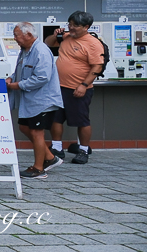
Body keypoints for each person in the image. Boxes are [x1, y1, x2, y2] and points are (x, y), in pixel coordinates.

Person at [44, 10, 105, 164]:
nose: (71, 28)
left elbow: (97, 66)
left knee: (81, 120)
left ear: (86, 27)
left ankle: (83, 150)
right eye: (70, 24)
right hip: (58, 87)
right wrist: (55, 35)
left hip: (78, 88)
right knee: (56, 118)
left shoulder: (93, 43)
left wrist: (84, 85)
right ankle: (57, 148)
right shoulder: (66, 37)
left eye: (75, 25)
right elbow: (48, 43)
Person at [5, 22, 64, 178]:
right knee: (24, 127)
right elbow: (20, 71)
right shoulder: (25, 50)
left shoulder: (41, 51)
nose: (15, 38)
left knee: (36, 132)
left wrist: (17, 85)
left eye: (16, 35)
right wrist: (11, 78)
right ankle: (50, 158)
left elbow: (42, 77)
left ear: (29, 35)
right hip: (30, 101)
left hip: (42, 100)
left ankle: (38, 169)